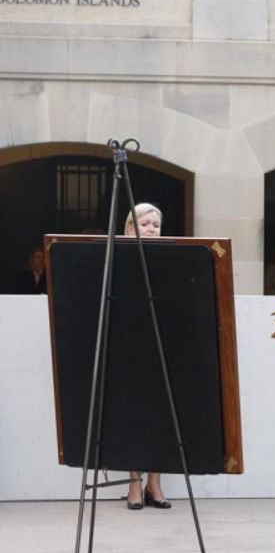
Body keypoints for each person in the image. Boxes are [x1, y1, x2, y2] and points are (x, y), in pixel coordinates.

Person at [121, 203, 171, 511]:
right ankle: (134, 483)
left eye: (156, 224)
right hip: (128, 345)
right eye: (145, 223)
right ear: (130, 228)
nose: (152, 229)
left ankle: (155, 482)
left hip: (163, 345)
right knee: (132, 414)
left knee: (161, 415)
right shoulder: (118, 257)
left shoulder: (169, 258)